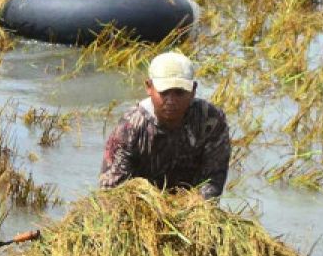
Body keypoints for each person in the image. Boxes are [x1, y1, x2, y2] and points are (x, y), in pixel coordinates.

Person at [99, 51, 231, 199]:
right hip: (141, 204)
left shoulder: (210, 121)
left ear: (193, 90)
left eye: (179, 92)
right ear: (149, 87)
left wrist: (192, 211)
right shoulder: (131, 128)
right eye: (164, 92)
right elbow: (112, 190)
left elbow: (213, 180)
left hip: (192, 205)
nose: (171, 100)